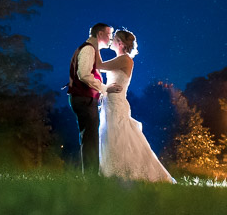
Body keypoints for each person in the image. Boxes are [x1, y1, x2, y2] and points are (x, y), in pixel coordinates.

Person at [96, 29, 175, 183]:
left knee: (119, 137)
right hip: (110, 102)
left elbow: (99, 65)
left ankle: (123, 172)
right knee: (110, 136)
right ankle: (112, 172)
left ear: (120, 43)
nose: (111, 41)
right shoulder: (120, 59)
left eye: (114, 39)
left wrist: (96, 44)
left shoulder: (124, 59)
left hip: (116, 103)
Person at [67, 23, 119, 175]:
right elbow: (84, 74)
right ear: (101, 34)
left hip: (84, 98)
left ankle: (90, 176)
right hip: (84, 99)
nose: (111, 38)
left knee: (89, 138)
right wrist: (104, 88)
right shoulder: (89, 49)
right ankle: (91, 178)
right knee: (90, 139)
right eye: (109, 34)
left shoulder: (90, 49)